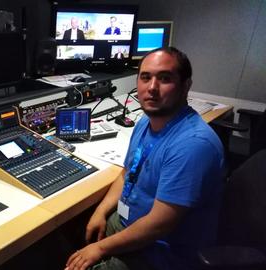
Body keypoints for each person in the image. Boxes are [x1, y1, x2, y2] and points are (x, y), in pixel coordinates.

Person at [65, 47, 225, 270]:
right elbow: (126, 174)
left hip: (160, 253)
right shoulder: (145, 122)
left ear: (185, 85)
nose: (152, 88)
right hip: (126, 223)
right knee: (70, 231)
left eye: (165, 78)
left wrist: (100, 248)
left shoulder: (193, 145)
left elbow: (158, 226)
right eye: (146, 77)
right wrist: (101, 212)